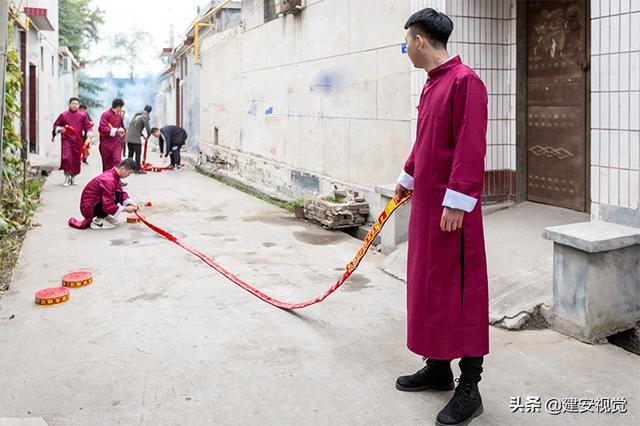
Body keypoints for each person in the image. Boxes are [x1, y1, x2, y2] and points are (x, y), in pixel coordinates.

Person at [393, 8, 489, 426]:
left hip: (453, 214)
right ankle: (438, 367)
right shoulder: (433, 85)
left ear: (418, 41)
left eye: (405, 44)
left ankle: (470, 387)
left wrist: (458, 200)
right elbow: (425, 142)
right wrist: (408, 176)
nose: (406, 51)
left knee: (462, 292)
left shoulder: (466, 82)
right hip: (428, 208)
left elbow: (471, 146)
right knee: (430, 287)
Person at [68, 159, 139, 230]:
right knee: (115, 196)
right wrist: (125, 209)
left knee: (118, 194)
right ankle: (97, 219)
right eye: (129, 173)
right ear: (123, 169)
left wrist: (130, 203)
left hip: (93, 203)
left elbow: (120, 192)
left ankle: (103, 216)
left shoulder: (113, 175)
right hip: (89, 207)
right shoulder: (109, 180)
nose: (128, 175)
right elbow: (108, 204)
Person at [52, 97, 94, 186]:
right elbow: (56, 125)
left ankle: (74, 176)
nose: (74, 105)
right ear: (69, 104)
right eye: (73, 103)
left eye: (76, 104)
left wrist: (89, 132)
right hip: (66, 140)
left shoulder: (83, 115)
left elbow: (88, 126)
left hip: (78, 140)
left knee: (76, 159)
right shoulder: (63, 115)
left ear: (78, 105)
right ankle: (67, 177)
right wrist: (60, 129)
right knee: (66, 158)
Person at [98, 98, 126, 172]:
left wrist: (120, 132)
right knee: (107, 164)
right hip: (106, 143)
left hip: (116, 142)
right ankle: (108, 181)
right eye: (121, 107)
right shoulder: (106, 115)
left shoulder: (118, 116)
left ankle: (117, 180)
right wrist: (116, 130)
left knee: (117, 161)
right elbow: (102, 128)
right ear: (118, 107)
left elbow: (119, 127)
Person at [126, 105, 153, 171]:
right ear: (149, 112)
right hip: (135, 138)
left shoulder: (136, 115)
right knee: (138, 153)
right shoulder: (145, 116)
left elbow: (134, 127)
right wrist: (148, 136)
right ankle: (137, 169)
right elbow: (148, 128)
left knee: (130, 154)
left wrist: (142, 135)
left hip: (129, 137)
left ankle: (128, 168)